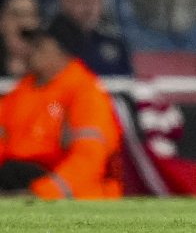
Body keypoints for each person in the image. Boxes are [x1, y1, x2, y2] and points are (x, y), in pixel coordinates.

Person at [0, 12, 122, 200]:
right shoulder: (21, 92)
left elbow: (89, 159)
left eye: (39, 45)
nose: (30, 50)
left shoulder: (85, 92)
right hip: (18, 180)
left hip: (72, 195)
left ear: (63, 52)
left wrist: (40, 194)